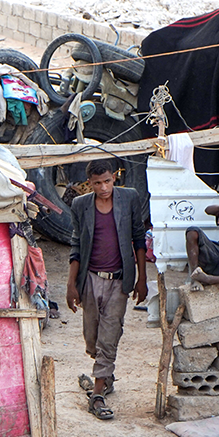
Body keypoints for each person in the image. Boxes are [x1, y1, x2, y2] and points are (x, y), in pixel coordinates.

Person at [66, 159, 148, 421]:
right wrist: (71, 284)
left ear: (115, 177)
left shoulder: (129, 198)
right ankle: (106, 376)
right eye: (97, 183)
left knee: (109, 336)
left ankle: (98, 394)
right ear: (88, 184)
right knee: (92, 337)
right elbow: (77, 243)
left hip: (119, 279)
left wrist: (142, 278)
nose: (104, 188)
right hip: (90, 278)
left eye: (108, 181)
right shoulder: (81, 205)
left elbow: (138, 237)